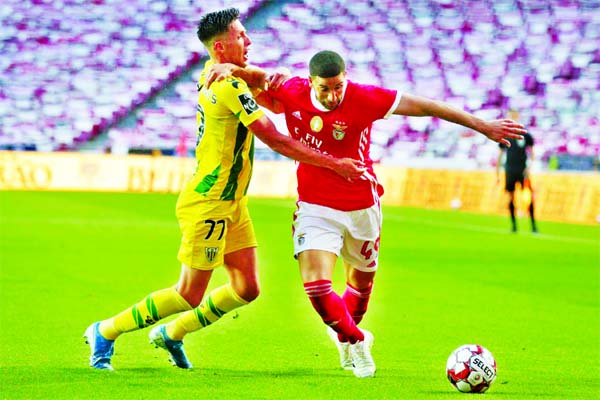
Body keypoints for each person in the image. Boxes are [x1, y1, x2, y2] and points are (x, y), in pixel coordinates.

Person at [206, 50, 527, 378]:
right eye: (325, 89)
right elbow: (260, 78)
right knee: (317, 288)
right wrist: (233, 68)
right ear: (311, 83)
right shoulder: (292, 90)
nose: (333, 96)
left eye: (338, 87)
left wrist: (482, 125)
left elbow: (424, 105)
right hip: (315, 207)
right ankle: (358, 341)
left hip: (362, 206)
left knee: (359, 292)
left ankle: (348, 332)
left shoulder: (364, 97)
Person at [83, 9, 365, 371]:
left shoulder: (222, 74)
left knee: (247, 288)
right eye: (241, 36)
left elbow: (274, 88)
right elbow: (273, 137)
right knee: (188, 293)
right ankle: (105, 331)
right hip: (210, 202)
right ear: (221, 45)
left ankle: (173, 334)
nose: (248, 41)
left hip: (233, 202)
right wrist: (333, 163)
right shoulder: (227, 85)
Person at [496, 109, 537, 233]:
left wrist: (529, 167)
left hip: (523, 171)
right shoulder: (505, 135)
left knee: (529, 198)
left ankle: (533, 225)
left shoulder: (525, 135)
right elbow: (500, 154)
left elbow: (532, 153)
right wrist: (497, 173)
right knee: (511, 197)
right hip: (510, 170)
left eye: (514, 116)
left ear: (518, 117)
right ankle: (514, 225)